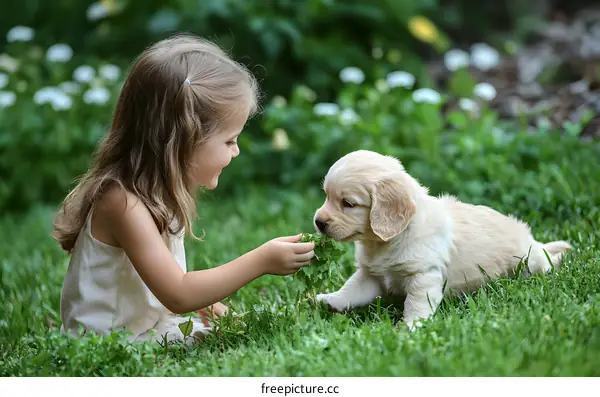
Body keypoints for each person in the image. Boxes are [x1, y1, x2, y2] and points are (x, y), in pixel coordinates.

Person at [51, 33, 315, 345]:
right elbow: (177, 292)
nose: (236, 151)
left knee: (231, 334)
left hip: (145, 329)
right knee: (219, 344)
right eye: (229, 140)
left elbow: (165, 283)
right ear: (183, 142)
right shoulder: (121, 202)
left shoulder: (154, 194)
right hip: (106, 344)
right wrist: (261, 261)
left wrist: (219, 311)